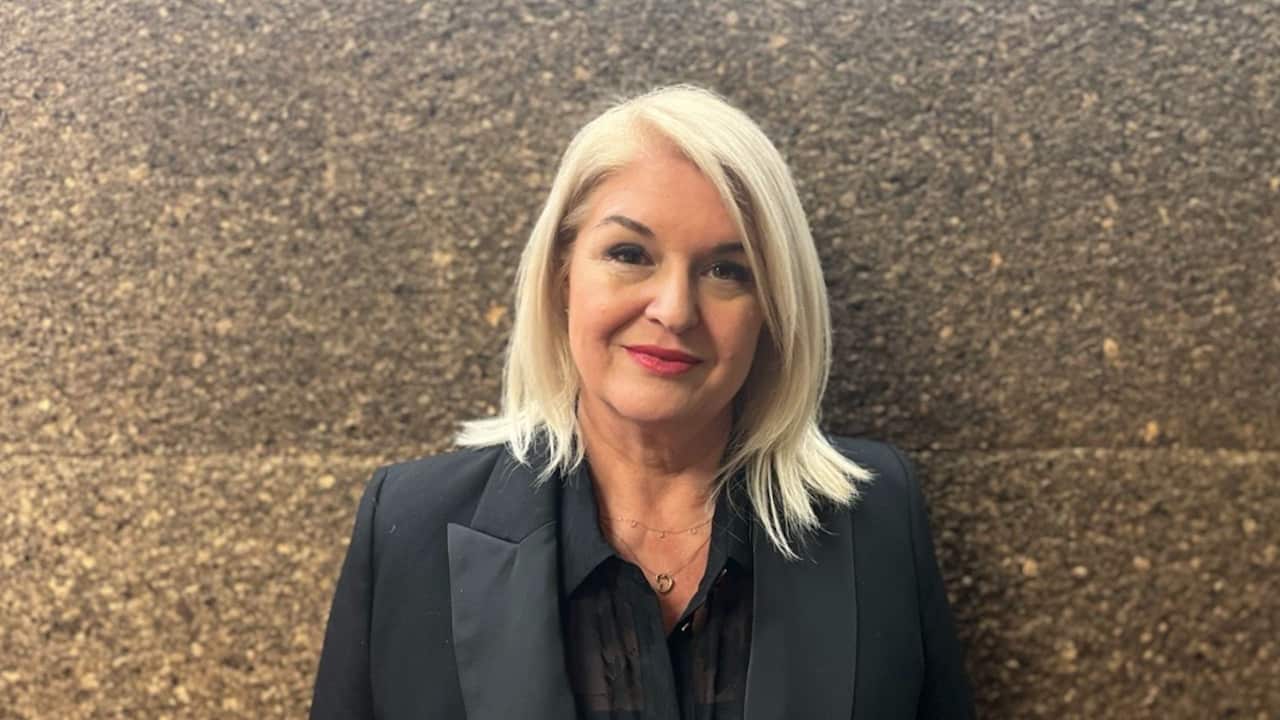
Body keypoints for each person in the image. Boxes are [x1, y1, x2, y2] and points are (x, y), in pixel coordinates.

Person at [310, 83, 974, 719]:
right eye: (630, 253)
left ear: (772, 308)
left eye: (726, 270)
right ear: (564, 273)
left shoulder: (875, 517)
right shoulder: (410, 526)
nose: (675, 309)